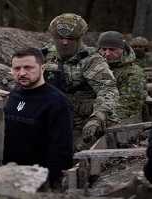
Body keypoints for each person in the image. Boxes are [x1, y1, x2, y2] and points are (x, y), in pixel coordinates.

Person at [42, 13, 120, 150]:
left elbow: (108, 90)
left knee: (72, 153)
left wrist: (98, 118)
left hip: (81, 121)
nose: (65, 42)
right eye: (60, 38)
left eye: (70, 39)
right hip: (50, 116)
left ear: (80, 38)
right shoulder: (45, 55)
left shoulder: (92, 60)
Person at [3, 47, 73, 189]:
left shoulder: (57, 102)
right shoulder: (14, 94)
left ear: (43, 68)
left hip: (39, 180)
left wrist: (50, 182)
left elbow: (62, 149)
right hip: (11, 175)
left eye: (28, 67)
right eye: (17, 68)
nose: (22, 73)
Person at [97, 31, 147, 123]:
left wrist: (99, 118)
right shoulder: (95, 68)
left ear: (122, 50)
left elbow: (129, 105)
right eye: (104, 49)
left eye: (112, 49)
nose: (107, 53)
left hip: (122, 121)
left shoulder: (133, 72)